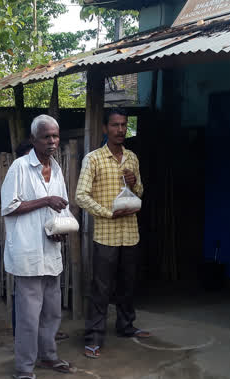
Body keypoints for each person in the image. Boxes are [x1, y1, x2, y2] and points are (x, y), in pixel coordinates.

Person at [1, 115, 74, 379]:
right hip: (28, 252)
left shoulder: (56, 169)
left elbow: (62, 207)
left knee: (52, 312)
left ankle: (49, 357)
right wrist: (45, 200)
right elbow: (8, 206)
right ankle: (24, 368)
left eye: (55, 136)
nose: (53, 141)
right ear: (33, 140)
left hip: (51, 249)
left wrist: (61, 230)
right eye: (46, 137)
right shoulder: (19, 168)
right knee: (29, 317)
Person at [76, 108, 150, 360]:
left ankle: (126, 326)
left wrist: (133, 183)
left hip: (130, 233)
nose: (120, 130)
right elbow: (81, 196)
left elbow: (139, 192)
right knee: (101, 287)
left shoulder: (132, 158)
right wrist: (107, 213)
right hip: (106, 233)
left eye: (123, 125)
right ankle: (94, 337)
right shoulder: (94, 159)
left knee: (128, 284)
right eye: (115, 125)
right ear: (105, 128)